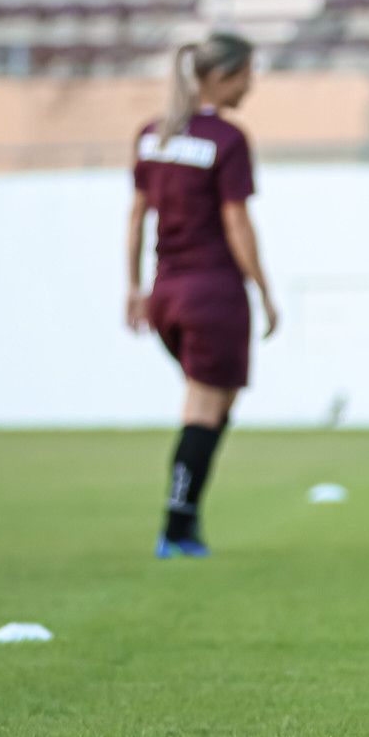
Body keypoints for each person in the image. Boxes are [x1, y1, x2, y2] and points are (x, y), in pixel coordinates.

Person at [126, 33, 277, 558]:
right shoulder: (227, 139)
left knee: (213, 402)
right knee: (204, 406)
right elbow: (236, 221)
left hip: (166, 291)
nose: (250, 85)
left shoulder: (153, 135)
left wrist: (134, 287)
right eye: (245, 75)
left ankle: (184, 521)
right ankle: (177, 526)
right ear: (220, 77)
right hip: (211, 291)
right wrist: (264, 288)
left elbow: (136, 217)